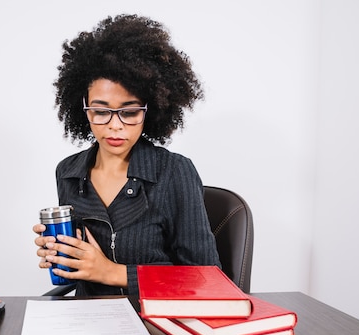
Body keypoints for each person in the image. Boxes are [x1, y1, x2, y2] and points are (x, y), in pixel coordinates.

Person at [33, 14, 221, 301]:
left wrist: (110, 271)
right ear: (83, 109)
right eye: (100, 110)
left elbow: (207, 278)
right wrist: (66, 257)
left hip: (156, 325)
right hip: (86, 324)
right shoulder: (68, 173)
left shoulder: (174, 171)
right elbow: (83, 267)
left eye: (130, 112)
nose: (115, 125)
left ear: (151, 110)